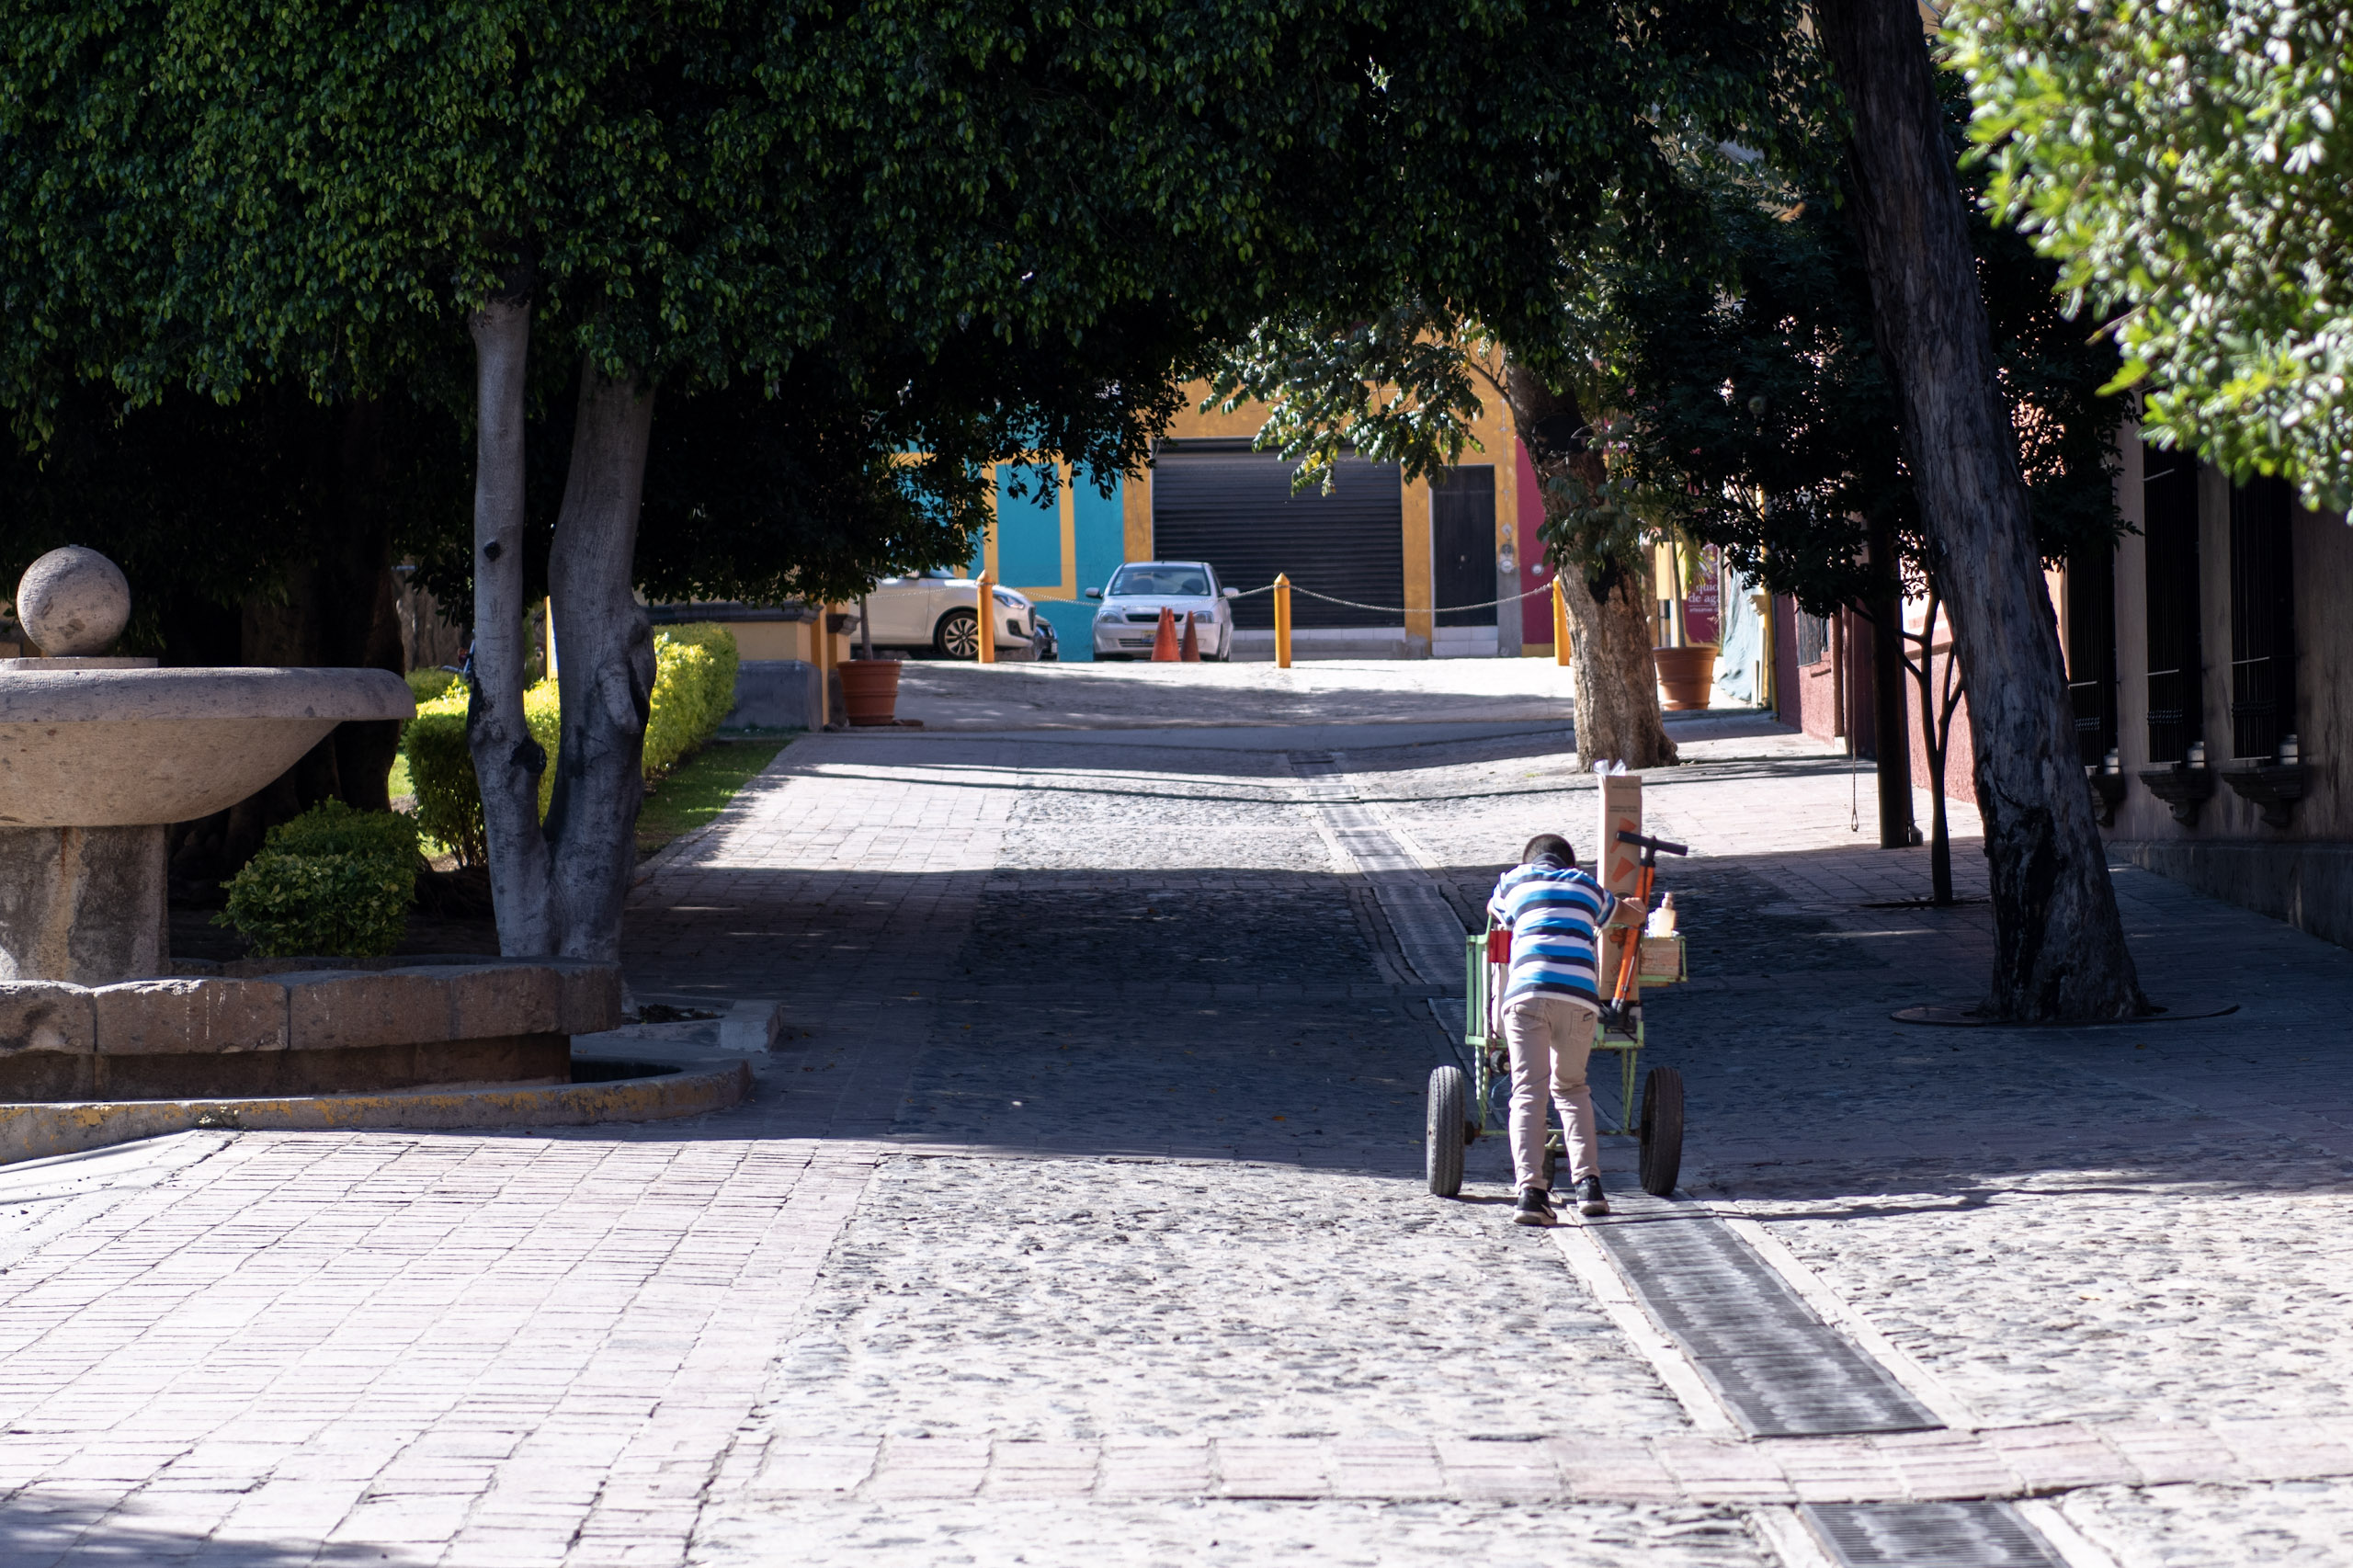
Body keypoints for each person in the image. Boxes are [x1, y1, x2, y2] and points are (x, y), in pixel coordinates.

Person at [1485, 833, 1627, 1227]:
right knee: (1571, 1088)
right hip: (1578, 997)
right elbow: (1622, 915)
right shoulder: (1586, 886)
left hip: (1526, 995)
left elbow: (1494, 912)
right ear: (1571, 865)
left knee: (1528, 1091)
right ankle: (1589, 1187)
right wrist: (1633, 906)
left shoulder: (1513, 881)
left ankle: (1531, 1193)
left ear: (1529, 862)